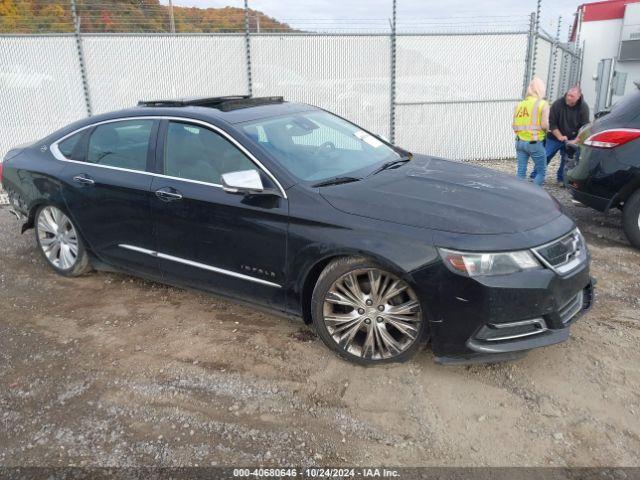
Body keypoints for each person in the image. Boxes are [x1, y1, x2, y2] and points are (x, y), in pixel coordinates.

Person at [531, 85, 590, 185]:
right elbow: (552, 123)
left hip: (572, 138)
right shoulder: (558, 104)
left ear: (578, 97)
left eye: (572, 96)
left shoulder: (583, 107)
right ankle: (534, 176)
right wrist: (559, 136)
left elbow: (585, 127)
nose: (568, 97)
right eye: (568, 95)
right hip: (554, 136)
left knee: (567, 159)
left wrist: (575, 141)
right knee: (545, 155)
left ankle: (562, 179)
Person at [513, 77, 550, 186]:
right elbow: (544, 125)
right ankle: (533, 197)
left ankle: (519, 195)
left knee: (521, 172)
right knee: (541, 172)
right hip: (534, 142)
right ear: (541, 89)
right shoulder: (543, 104)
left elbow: (514, 125)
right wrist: (548, 128)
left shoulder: (519, 105)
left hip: (519, 142)